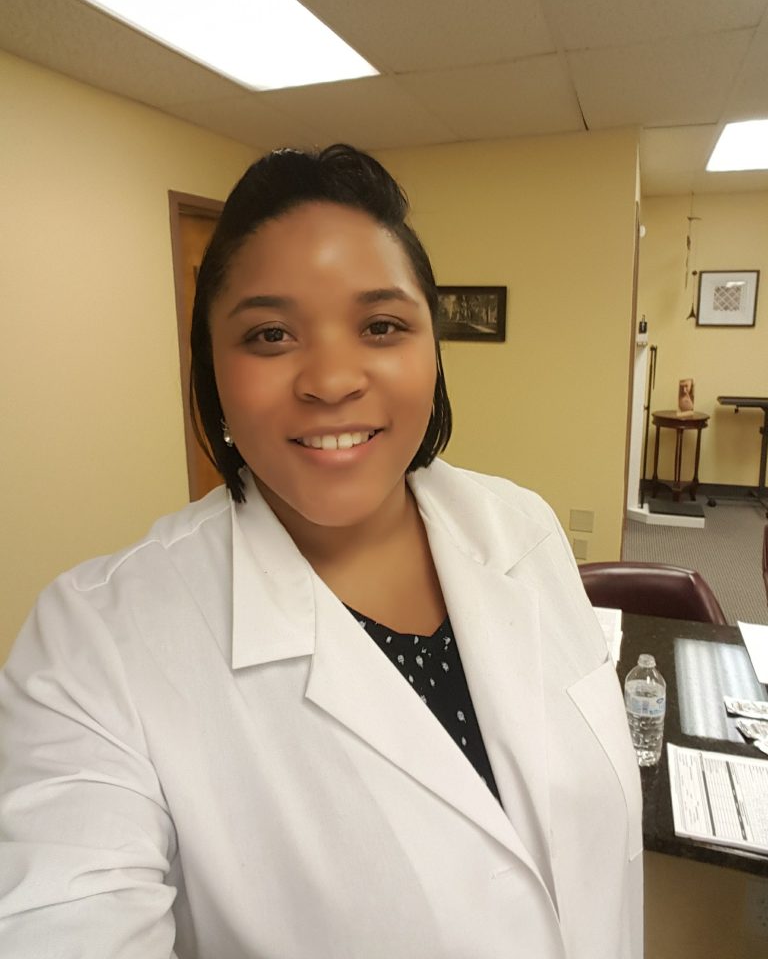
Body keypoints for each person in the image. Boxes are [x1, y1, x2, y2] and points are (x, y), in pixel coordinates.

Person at [0, 145, 642, 958]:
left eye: (381, 325)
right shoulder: (94, 644)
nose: (333, 378)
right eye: (270, 334)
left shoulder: (521, 527)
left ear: (431, 353)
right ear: (214, 375)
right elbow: (62, 912)